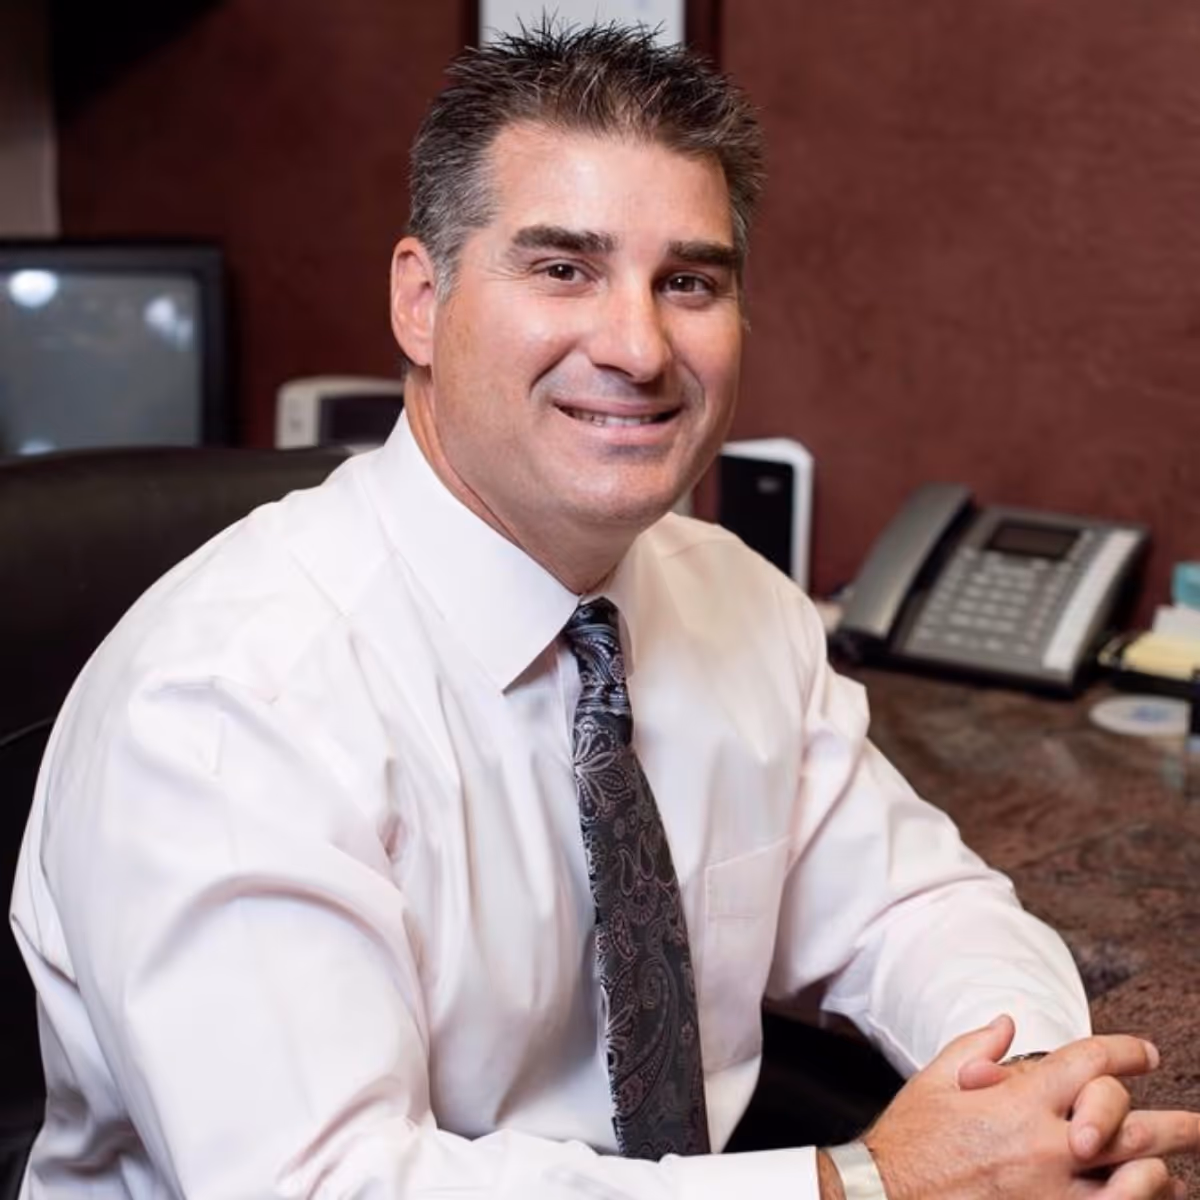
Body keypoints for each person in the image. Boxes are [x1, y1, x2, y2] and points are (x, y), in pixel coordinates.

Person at [10, 22, 1199, 1200]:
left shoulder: (728, 595)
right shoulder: (228, 701)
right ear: (421, 301)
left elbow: (909, 906)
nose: (637, 347)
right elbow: (327, 1189)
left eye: (687, 282)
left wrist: (1047, 1098)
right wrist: (869, 1185)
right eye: (563, 267)